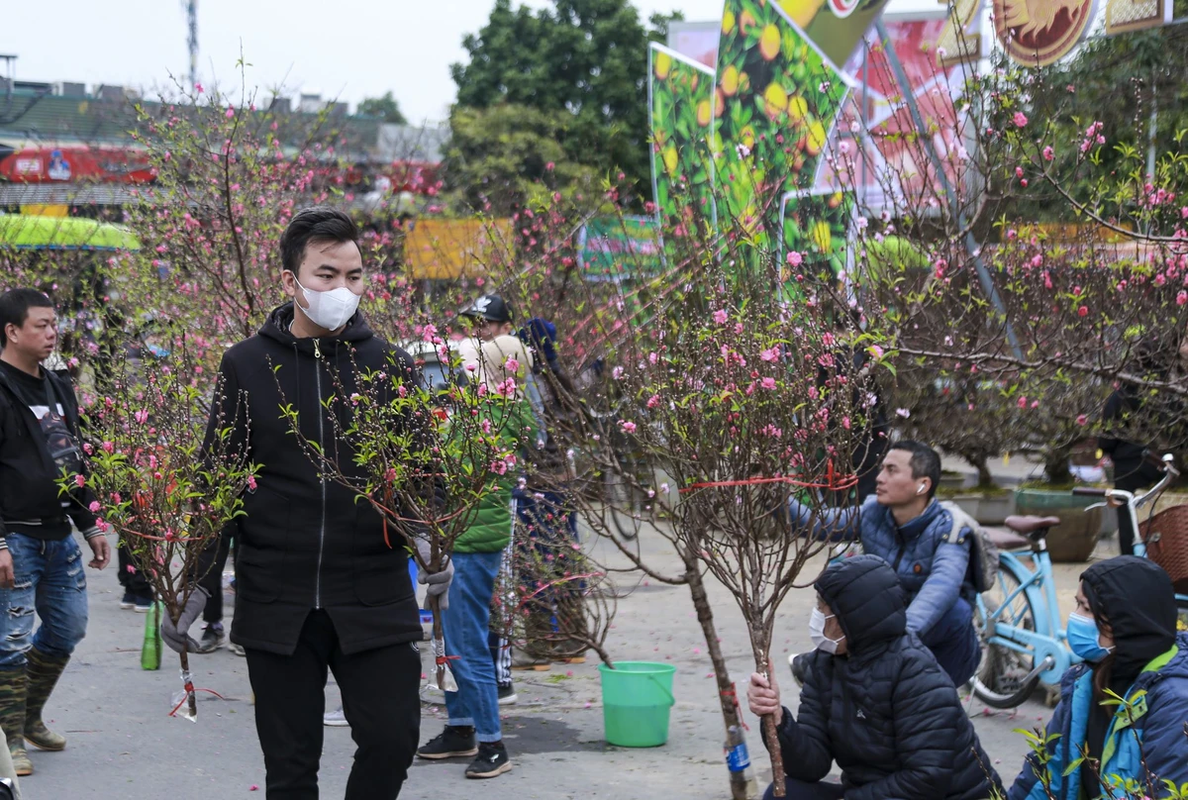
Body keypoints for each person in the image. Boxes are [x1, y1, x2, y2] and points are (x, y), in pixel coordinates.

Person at [160, 208, 451, 799]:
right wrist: (193, 583)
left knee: (393, 740)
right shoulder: (245, 365)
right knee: (290, 769)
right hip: (277, 598)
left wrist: (432, 538)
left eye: (355, 275)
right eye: (326, 275)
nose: (342, 289)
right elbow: (219, 481)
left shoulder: (387, 365)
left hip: (373, 590)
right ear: (291, 281)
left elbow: (423, 471)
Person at [748, 555, 1002, 800]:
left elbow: (927, 779)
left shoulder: (918, 676)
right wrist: (778, 719)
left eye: (823, 609)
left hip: (947, 796)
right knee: (784, 794)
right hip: (874, 792)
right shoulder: (824, 664)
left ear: (853, 619)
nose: (816, 617)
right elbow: (811, 764)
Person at [0, 289, 111, 777]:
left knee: (68, 628)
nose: (52, 334)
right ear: (12, 331)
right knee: (11, 640)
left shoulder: (57, 385)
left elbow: (75, 457)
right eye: (41, 325)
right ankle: (7, 741)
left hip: (57, 533)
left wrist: (92, 523)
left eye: (54, 325)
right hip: (15, 537)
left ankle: (26, 717)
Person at [416, 332, 535, 779]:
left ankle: (492, 741)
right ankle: (460, 727)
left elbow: (451, 464)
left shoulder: (499, 413)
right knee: (448, 638)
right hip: (454, 536)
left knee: (466, 644)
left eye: (476, 361)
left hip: (469, 542)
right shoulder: (477, 409)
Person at [787, 440, 980, 687]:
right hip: (889, 640)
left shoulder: (950, 530)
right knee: (851, 583)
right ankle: (833, 669)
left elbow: (942, 587)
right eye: (882, 469)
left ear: (923, 485)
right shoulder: (873, 513)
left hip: (943, 650)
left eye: (891, 470)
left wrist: (893, 639)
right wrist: (773, 495)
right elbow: (819, 525)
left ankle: (828, 667)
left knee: (956, 611)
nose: (879, 478)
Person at [1007, 556, 1188, 799]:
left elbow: (1161, 791)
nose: (1075, 617)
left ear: (1125, 621)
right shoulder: (1087, 679)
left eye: (1086, 608)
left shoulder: (1176, 702)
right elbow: (1047, 772)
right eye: (1077, 605)